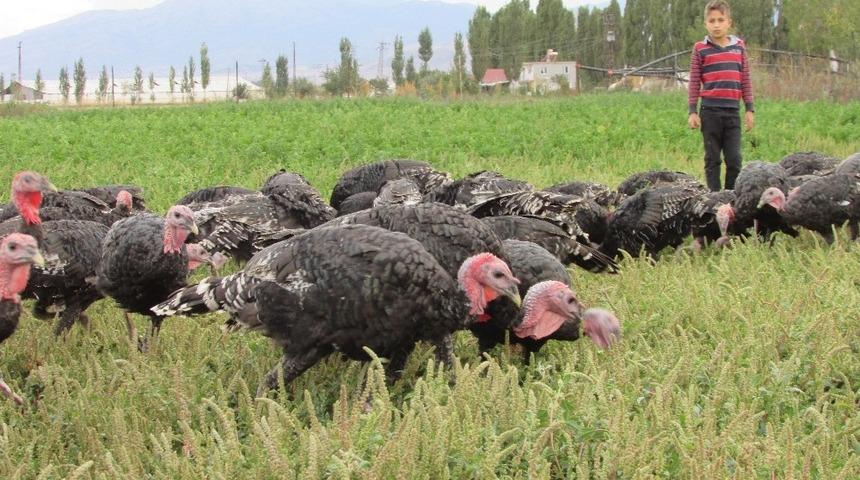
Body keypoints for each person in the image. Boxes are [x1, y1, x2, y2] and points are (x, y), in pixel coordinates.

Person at [688, 0, 755, 192]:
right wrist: (692, 111)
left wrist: (749, 108)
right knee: (712, 159)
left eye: (720, 20)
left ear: (729, 22)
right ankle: (714, 198)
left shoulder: (739, 48)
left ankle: (730, 196)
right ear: (705, 24)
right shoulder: (700, 49)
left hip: (732, 112)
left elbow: (745, 80)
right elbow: (694, 82)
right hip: (710, 112)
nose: (716, 24)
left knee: (734, 159)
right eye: (712, 20)